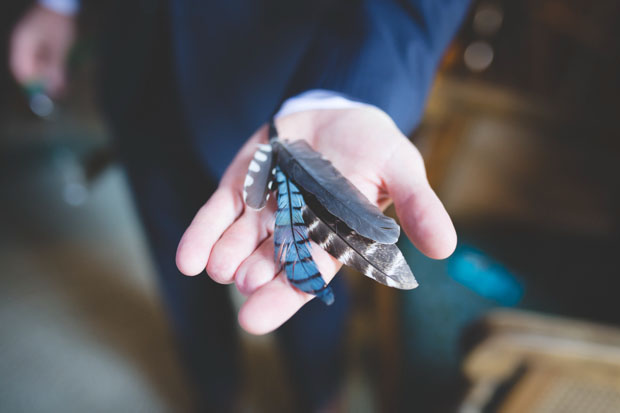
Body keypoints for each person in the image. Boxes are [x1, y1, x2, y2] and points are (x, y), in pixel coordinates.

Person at [10, 0, 468, 410]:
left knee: (302, 291)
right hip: (140, 67)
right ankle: (216, 394)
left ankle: (322, 395)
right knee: (182, 268)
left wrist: (348, 92)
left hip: (281, 73)